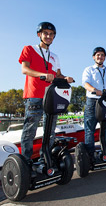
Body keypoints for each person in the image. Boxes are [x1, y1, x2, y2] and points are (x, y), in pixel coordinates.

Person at [19, 22, 73, 162]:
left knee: (50, 132)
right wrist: (42, 74)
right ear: (39, 35)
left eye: (51, 34)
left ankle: (45, 159)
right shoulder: (29, 49)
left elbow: (58, 75)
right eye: (46, 34)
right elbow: (25, 69)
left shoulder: (55, 56)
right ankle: (26, 162)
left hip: (52, 97)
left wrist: (65, 78)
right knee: (30, 131)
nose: (48, 36)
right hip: (35, 96)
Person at [82, 47, 106, 162]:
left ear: (105, 57)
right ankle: (89, 156)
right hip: (93, 101)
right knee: (90, 129)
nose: (100, 57)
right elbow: (85, 83)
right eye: (98, 55)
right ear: (94, 57)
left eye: (102, 55)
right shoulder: (88, 70)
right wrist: (95, 90)